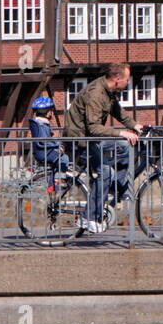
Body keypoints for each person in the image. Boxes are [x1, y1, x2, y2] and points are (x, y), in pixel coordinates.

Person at [63, 63, 146, 234]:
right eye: (127, 79)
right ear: (117, 79)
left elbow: (118, 112)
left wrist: (137, 126)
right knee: (106, 172)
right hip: (81, 139)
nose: (129, 82)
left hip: (92, 138)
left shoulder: (109, 92)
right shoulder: (96, 94)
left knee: (127, 147)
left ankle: (112, 190)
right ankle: (89, 217)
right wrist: (122, 133)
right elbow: (93, 128)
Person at [27, 95, 72, 175]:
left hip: (43, 151)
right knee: (64, 158)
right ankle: (60, 179)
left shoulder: (39, 123)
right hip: (45, 152)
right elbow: (45, 140)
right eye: (51, 110)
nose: (51, 113)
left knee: (62, 158)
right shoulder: (42, 124)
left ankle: (56, 177)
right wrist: (57, 146)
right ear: (46, 112)